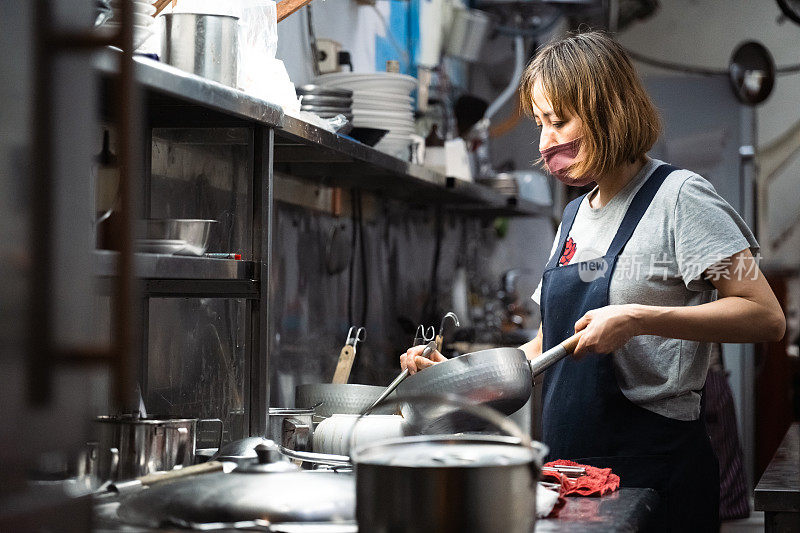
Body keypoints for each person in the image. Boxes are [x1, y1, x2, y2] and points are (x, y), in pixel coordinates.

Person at [400, 31, 785, 532]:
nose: (544, 143)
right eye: (541, 125)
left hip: (655, 474)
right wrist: (453, 375)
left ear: (607, 109)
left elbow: (765, 316)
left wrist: (638, 318)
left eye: (558, 121)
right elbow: (545, 348)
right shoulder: (574, 217)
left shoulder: (682, 199)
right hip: (572, 475)